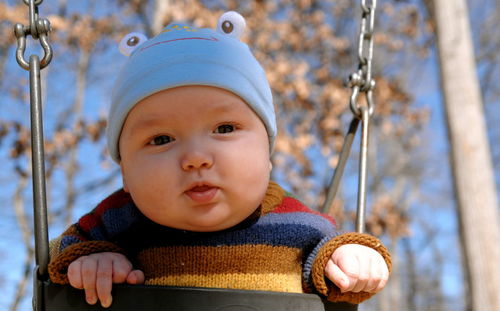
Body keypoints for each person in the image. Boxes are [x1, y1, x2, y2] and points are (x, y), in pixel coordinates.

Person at [48, 11, 391, 309]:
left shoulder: (294, 221)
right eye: (161, 139)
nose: (195, 158)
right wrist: (91, 261)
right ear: (125, 170)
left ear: (267, 153)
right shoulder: (118, 220)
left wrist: (352, 260)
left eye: (224, 128)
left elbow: (328, 259)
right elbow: (63, 251)